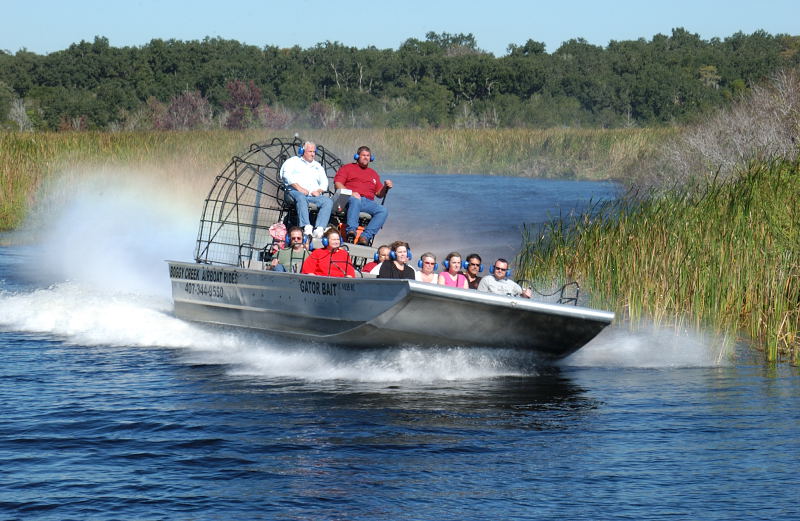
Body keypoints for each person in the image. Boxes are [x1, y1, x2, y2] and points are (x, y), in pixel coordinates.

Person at [333, 145, 393, 245]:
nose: (366, 157)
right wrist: (351, 193)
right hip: (349, 199)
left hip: (367, 202)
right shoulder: (347, 168)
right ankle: (351, 231)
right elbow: (338, 184)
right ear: (357, 156)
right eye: (363, 155)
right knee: (356, 200)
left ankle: (365, 237)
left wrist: (386, 187)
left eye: (368, 155)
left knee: (383, 210)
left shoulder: (373, 173)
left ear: (371, 158)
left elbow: (379, 194)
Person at [280, 141, 333, 238]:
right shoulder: (293, 161)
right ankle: (306, 227)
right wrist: (299, 188)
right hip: (293, 192)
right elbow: (286, 175)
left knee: (327, 201)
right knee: (301, 197)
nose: (313, 154)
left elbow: (324, 182)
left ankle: (319, 228)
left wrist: (319, 191)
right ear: (302, 151)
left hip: (311, 195)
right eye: (310, 151)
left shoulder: (317, 166)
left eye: (314, 152)